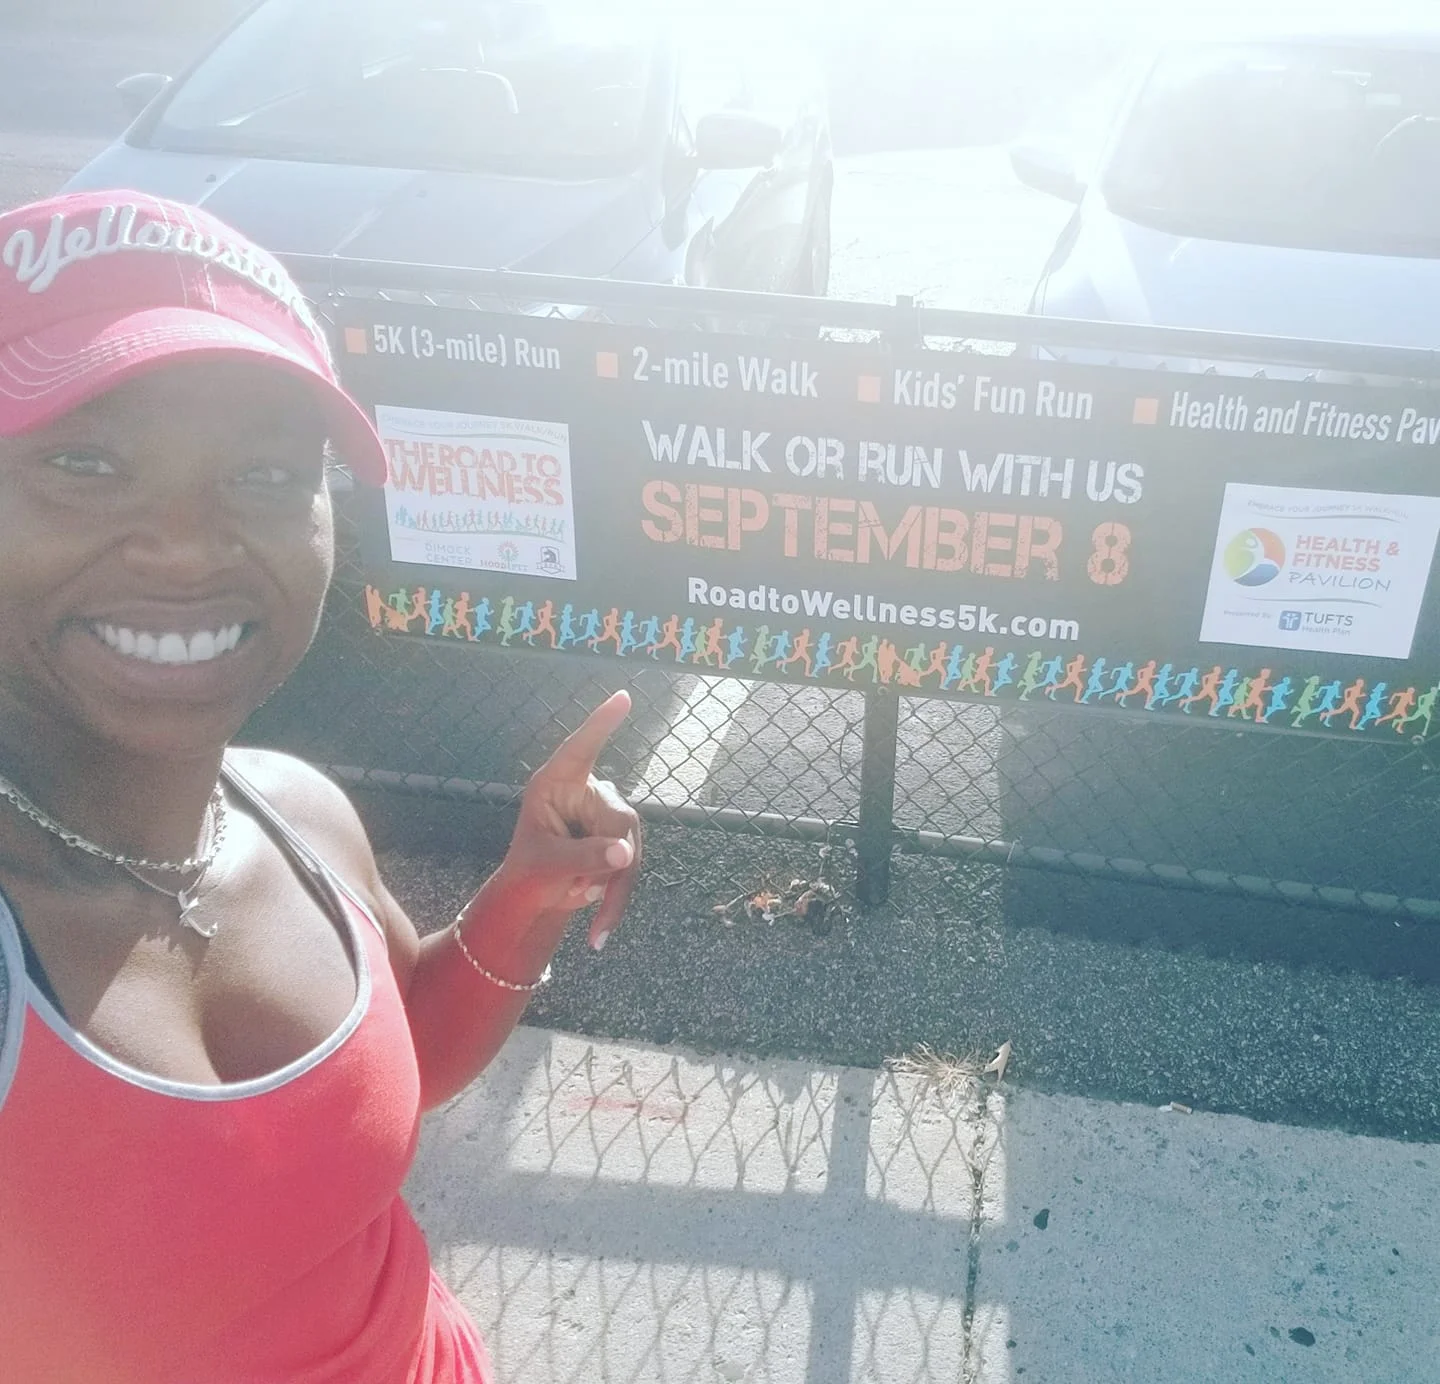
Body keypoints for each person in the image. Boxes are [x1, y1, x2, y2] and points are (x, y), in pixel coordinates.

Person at [0, 190, 642, 1383]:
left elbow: (403, 1066)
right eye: (85, 462)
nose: (188, 546)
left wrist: (524, 897)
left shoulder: (295, 812)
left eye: (264, 473)